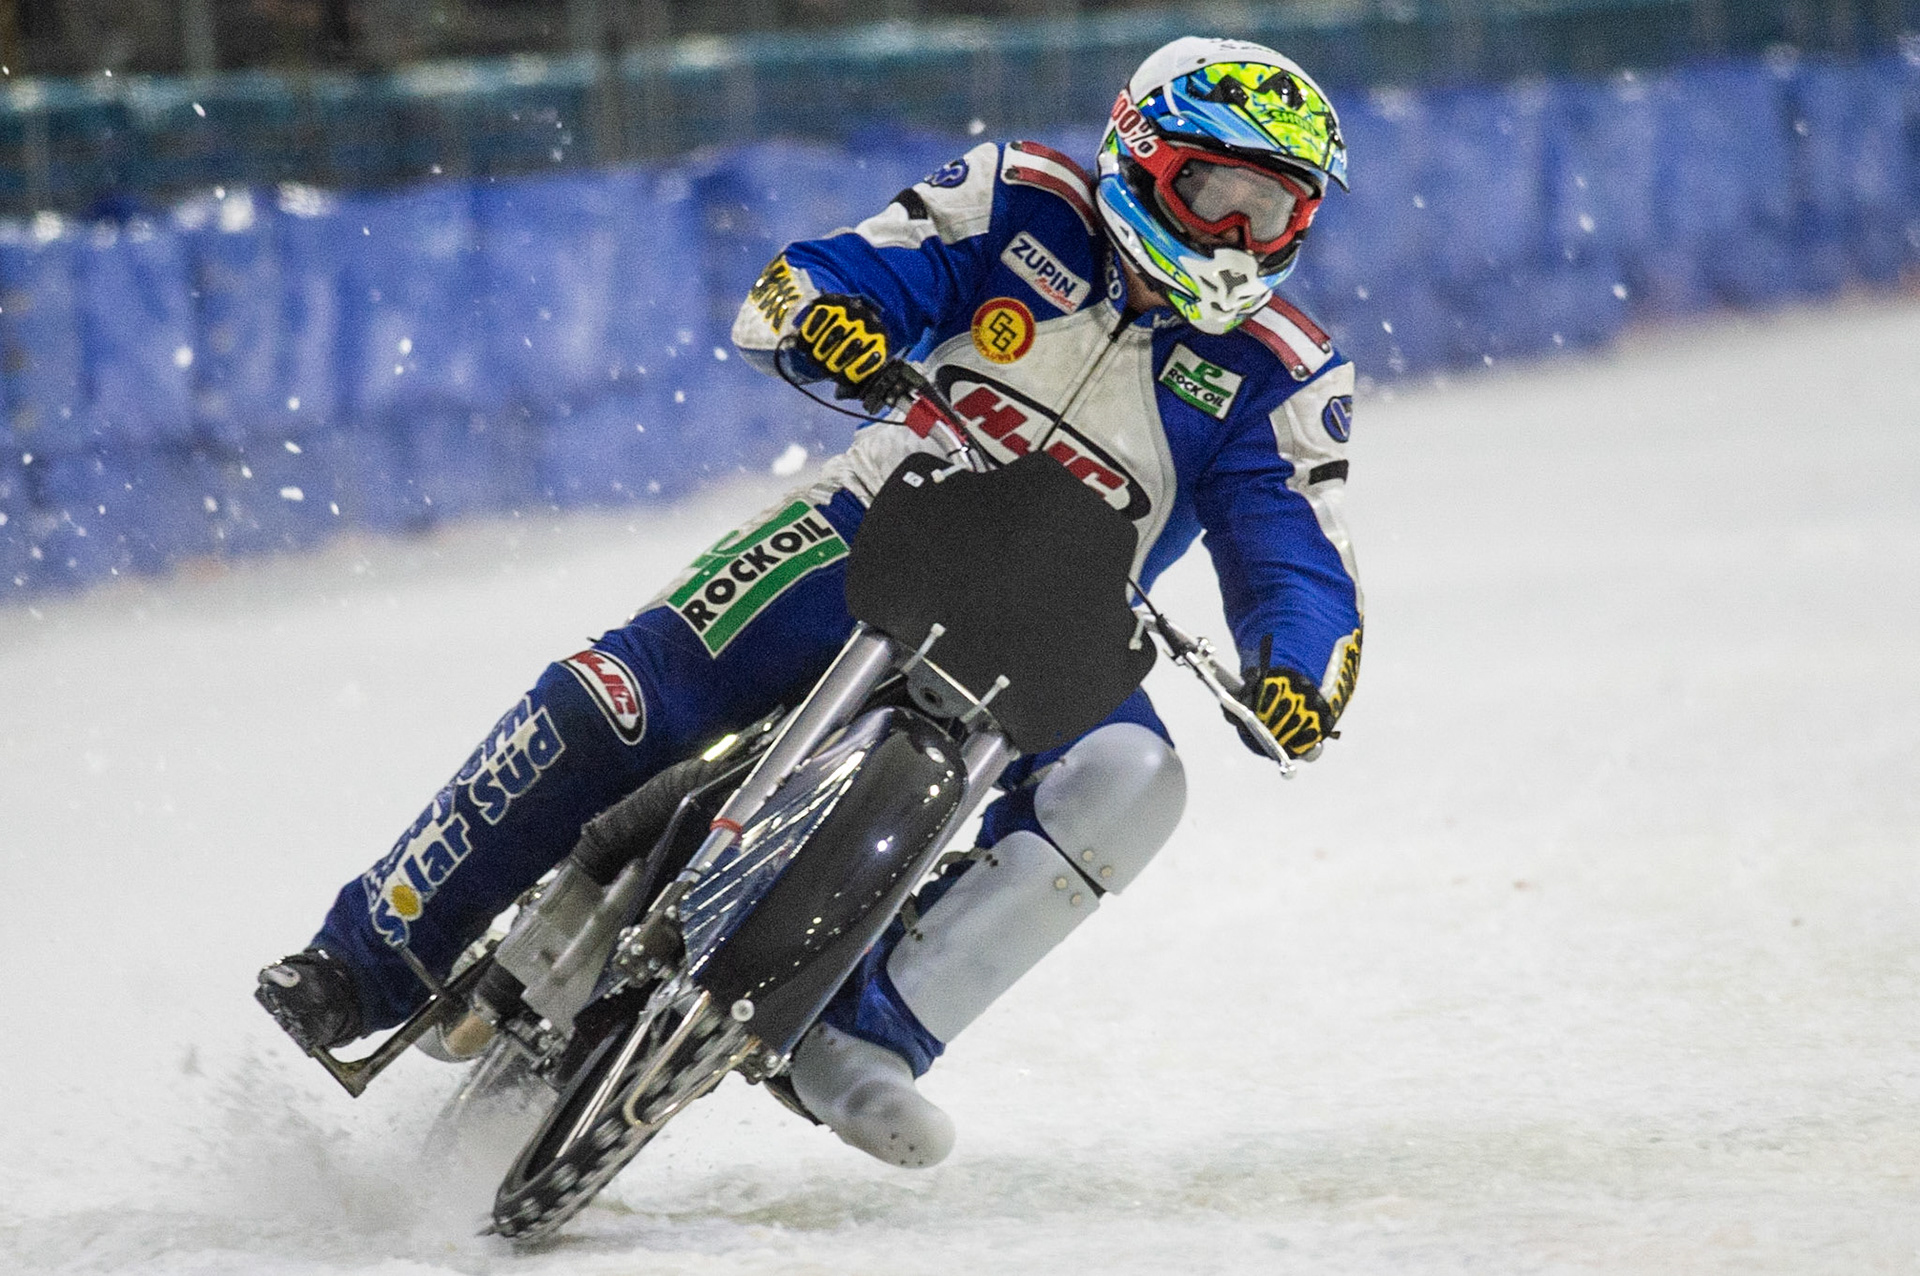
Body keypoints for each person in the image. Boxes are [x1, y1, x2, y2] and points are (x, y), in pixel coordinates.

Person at [257, 35, 1364, 1169]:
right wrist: (835, 323)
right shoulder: (1018, 198)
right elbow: (809, 279)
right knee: (618, 697)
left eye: (1271, 213)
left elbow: (1296, 554)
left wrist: (1298, 670)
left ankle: (864, 1034)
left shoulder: (1289, 372)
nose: (1235, 235)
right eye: (1215, 192)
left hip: (1058, 625)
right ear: (1139, 156)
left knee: (1137, 782)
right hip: (877, 525)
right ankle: (369, 956)